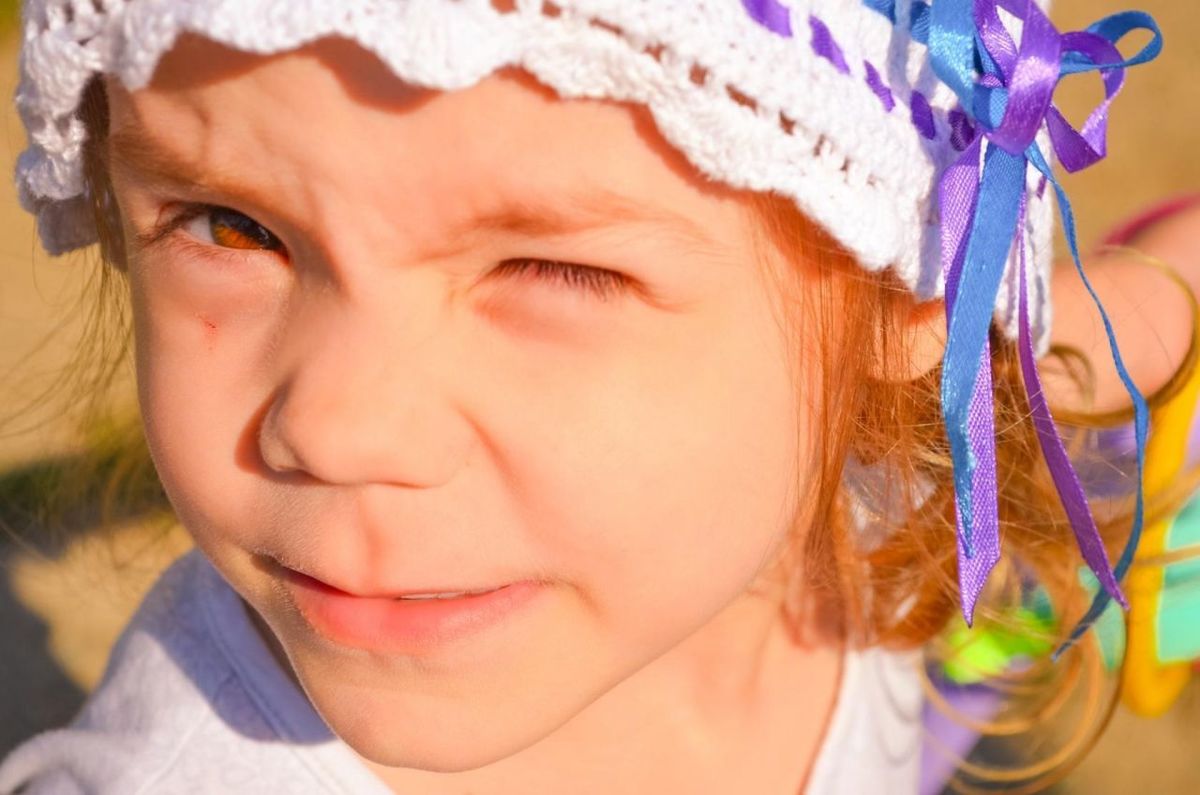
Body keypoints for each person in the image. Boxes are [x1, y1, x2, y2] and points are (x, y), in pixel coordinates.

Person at [0, 1, 1194, 793]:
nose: (337, 424)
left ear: (904, 303)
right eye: (231, 225)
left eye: (553, 266)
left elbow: (1087, 348)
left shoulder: (865, 455)